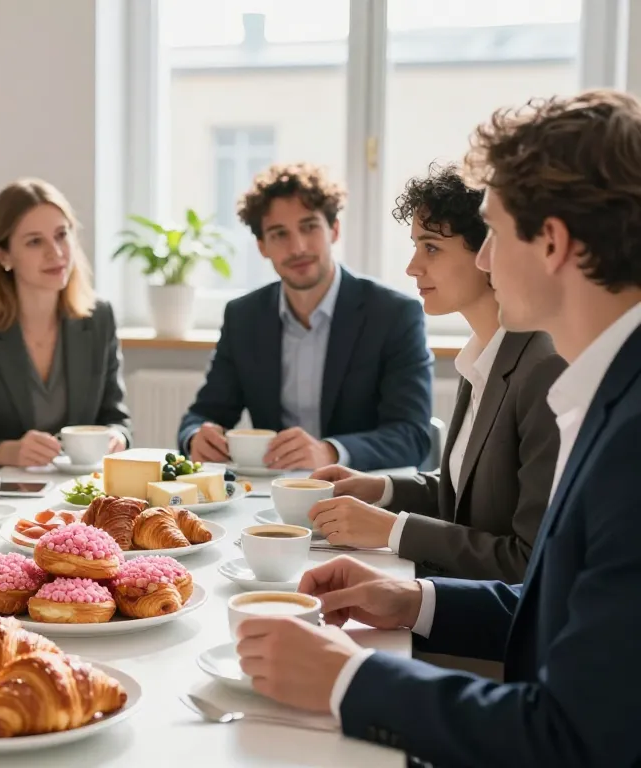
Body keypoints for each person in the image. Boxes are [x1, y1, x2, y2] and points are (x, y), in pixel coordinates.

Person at [235, 90, 641, 767]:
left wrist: (347, 679)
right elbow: (555, 607)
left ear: (552, 243)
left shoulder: (629, 437)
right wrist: (415, 600)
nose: (483, 261)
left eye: (493, 233)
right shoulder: (603, 391)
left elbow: (572, 737)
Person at [307, 164, 566, 581]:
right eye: (416, 246)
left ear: (489, 251)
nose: (412, 267)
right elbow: (471, 491)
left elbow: (528, 561)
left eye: (431, 248)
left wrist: (393, 531)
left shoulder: (543, 370)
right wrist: (382, 489)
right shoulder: (484, 354)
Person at [177, 163, 433, 472]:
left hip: (360, 488)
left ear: (334, 230)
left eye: (309, 227)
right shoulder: (244, 317)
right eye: (279, 234)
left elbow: (411, 436)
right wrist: (196, 437)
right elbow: (203, 414)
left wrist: (330, 452)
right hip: (271, 490)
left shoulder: (394, 314)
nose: (297, 247)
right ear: (262, 247)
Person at [0, 178, 131, 469]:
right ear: (2, 254)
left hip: (79, 488)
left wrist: (116, 437)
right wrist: (7, 451)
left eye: (61, 235)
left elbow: (117, 420)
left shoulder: (99, 318)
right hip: (2, 491)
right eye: (35, 241)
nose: (56, 252)